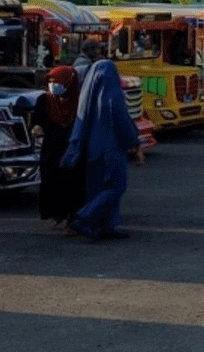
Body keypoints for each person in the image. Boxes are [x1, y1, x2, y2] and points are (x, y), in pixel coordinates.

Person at [61, 60, 144, 241]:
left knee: (97, 188)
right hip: (111, 147)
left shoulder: (87, 95)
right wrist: (135, 144)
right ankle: (85, 217)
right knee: (116, 186)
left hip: (92, 148)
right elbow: (122, 121)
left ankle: (105, 226)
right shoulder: (113, 95)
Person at [30, 66, 86, 231]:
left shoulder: (79, 101)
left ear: (69, 83)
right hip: (51, 149)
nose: (53, 85)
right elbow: (36, 120)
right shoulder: (44, 100)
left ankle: (73, 219)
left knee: (73, 185)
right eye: (51, 82)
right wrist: (36, 127)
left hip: (73, 149)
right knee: (51, 182)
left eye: (58, 82)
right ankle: (58, 213)